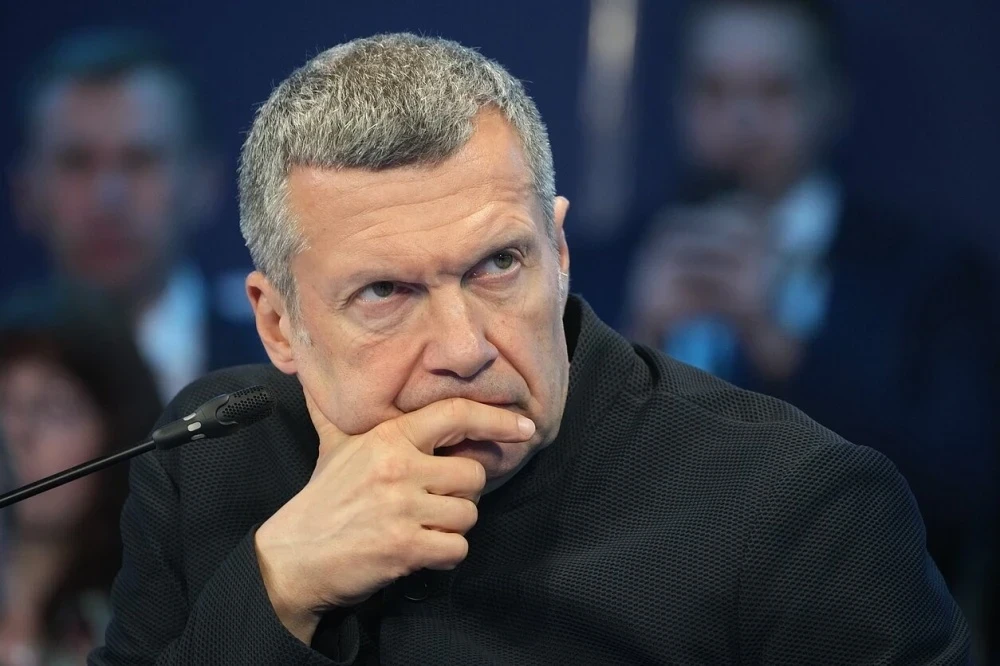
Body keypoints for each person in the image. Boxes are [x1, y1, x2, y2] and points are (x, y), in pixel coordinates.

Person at [90, 33, 970, 665]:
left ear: (560, 251)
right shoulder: (211, 457)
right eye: (386, 292)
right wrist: (275, 586)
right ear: (279, 324)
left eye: (497, 265)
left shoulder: (795, 509)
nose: (463, 347)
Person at [622, 0, 998, 647]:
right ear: (679, 101)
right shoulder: (607, 261)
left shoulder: (928, 275)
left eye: (775, 90)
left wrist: (779, 341)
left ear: (832, 101)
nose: (743, 121)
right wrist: (634, 343)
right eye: (714, 90)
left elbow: (956, 497)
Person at [11, 29, 266, 402]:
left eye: (139, 161)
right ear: (26, 190)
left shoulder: (281, 367)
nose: (108, 198)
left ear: (203, 183)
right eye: (76, 163)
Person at [0, 282, 162, 665]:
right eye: (3, 403)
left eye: (52, 408)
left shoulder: (141, 622)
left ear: (115, 437)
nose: (14, 432)